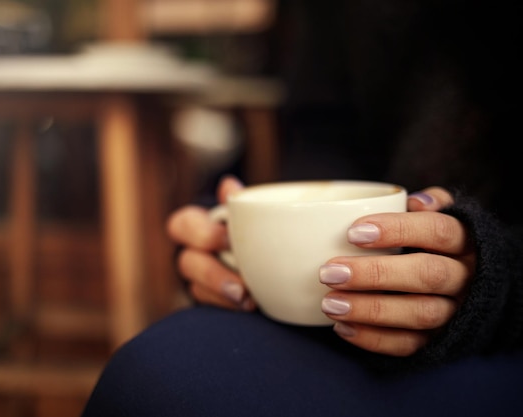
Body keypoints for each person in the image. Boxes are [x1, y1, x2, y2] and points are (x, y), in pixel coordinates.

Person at [82, 1, 523, 415]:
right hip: (338, 317)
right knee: (151, 376)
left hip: (506, 330)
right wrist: (236, 234)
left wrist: (498, 283)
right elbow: (318, 134)